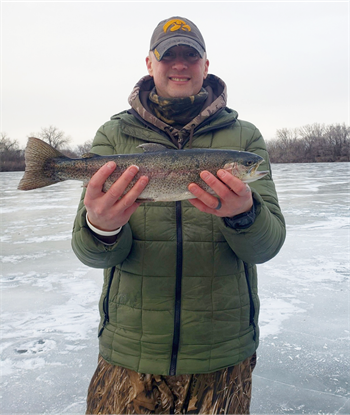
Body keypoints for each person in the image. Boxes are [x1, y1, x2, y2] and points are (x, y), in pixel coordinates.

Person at [72, 16, 286, 415]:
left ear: (207, 65)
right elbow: (92, 254)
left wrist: (245, 214)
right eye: (169, 56)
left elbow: (268, 245)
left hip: (222, 355)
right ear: (150, 64)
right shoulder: (113, 136)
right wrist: (101, 226)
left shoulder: (245, 139)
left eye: (192, 55)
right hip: (128, 353)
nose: (180, 65)